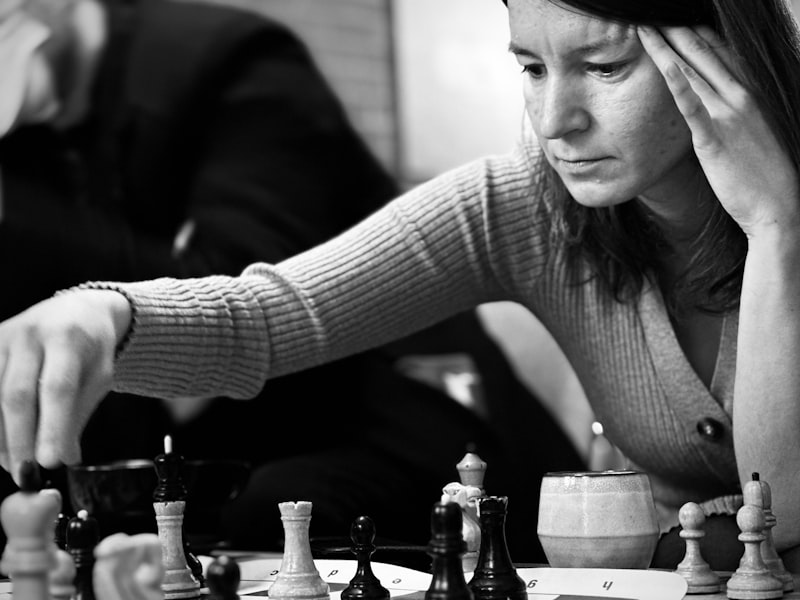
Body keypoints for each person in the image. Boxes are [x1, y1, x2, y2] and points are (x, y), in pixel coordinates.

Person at [1, 0, 797, 571]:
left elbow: (786, 510)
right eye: (529, 67)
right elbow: (273, 317)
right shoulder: (526, 207)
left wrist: (777, 227)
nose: (556, 119)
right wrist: (109, 311)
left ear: (721, 52)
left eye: (604, 66)